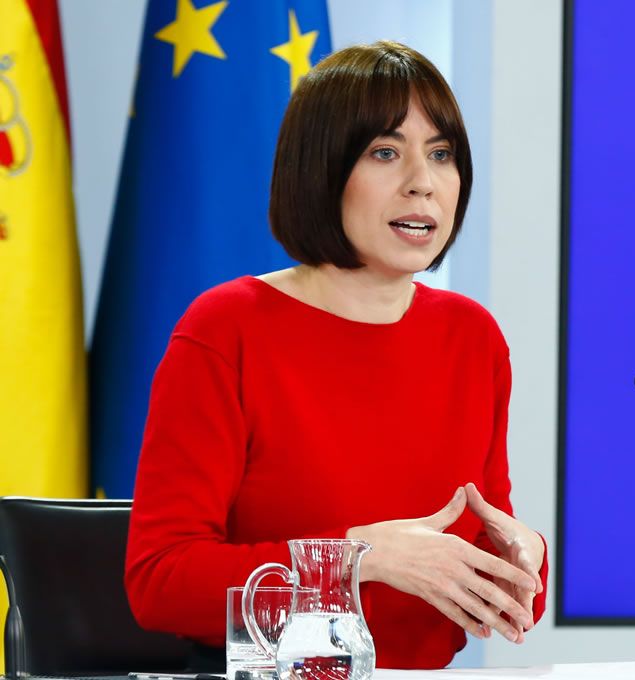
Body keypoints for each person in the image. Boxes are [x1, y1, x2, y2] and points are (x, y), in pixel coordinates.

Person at [124, 40, 547, 670]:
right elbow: (161, 581)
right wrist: (352, 561)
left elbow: (472, 561)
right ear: (321, 169)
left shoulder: (472, 337)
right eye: (385, 152)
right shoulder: (227, 329)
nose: (423, 184)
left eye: (441, 155)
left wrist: (516, 566)